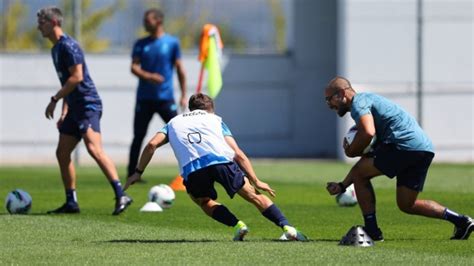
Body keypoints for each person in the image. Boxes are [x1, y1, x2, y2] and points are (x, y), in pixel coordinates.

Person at [125, 93, 307, 241]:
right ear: (211, 110)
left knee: (204, 201)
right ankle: (287, 227)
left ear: (190, 109)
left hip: (193, 169)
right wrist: (256, 180)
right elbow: (237, 153)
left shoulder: (173, 122)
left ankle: (238, 225)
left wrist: (137, 173)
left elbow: (150, 145)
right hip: (222, 162)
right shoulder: (216, 120)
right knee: (253, 195)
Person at [324, 76, 473, 241]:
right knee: (407, 204)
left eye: (329, 99)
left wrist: (352, 151)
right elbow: (367, 148)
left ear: (342, 94)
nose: (329, 104)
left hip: (403, 146)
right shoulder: (369, 100)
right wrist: (343, 185)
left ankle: (372, 232)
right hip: (423, 149)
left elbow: (367, 132)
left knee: (361, 173)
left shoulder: (358, 104)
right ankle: (462, 221)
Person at [37, 6, 132, 215]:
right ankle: (71, 202)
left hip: (88, 104)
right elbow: (67, 82)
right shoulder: (55, 49)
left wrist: (55, 99)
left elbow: (77, 77)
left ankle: (121, 193)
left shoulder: (69, 46)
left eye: (41, 22)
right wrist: (64, 111)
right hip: (74, 107)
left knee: (94, 149)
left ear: (53, 23)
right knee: (62, 153)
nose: (38, 27)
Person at [127, 8, 187, 180]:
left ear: (158, 21)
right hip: (144, 99)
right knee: (138, 136)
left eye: (148, 20)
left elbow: (180, 69)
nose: (145, 23)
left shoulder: (172, 42)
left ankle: (188, 171)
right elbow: (134, 67)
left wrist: (183, 94)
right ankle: (133, 173)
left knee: (178, 134)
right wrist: (149, 76)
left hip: (165, 98)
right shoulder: (140, 43)